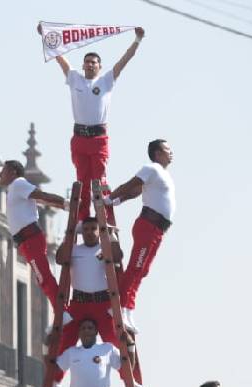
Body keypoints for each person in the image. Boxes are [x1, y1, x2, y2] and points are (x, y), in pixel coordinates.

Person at [44, 24, 146, 221]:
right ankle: (83, 219)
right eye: (87, 62)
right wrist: (47, 36)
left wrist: (137, 40)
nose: (90, 65)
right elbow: (59, 56)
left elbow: (125, 60)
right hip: (79, 138)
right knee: (81, 182)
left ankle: (107, 219)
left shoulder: (106, 81)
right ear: (83, 66)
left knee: (100, 182)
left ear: (99, 66)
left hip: (98, 139)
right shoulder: (74, 78)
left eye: (94, 62)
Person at [106, 139, 176, 332]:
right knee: (136, 266)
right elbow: (132, 184)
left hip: (158, 229)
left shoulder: (163, 174)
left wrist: (120, 200)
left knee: (142, 270)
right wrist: (111, 198)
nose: (171, 152)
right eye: (167, 149)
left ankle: (128, 307)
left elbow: (136, 191)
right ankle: (119, 306)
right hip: (148, 225)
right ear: (157, 153)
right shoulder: (151, 168)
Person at [0, 160, 69, 318]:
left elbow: (41, 196)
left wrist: (65, 204)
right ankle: (61, 309)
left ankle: (61, 310)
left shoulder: (18, 184)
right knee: (42, 277)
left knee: (43, 277)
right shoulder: (15, 188)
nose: (0, 174)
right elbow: (41, 199)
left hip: (30, 238)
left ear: (13, 172)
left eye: (3, 170)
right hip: (27, 241)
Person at [52, 217, 123, 352]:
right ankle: (58, 366)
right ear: (81, 232)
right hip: (79, 304)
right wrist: (70, 234)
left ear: (99, 231)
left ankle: (124, 366)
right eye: (85, 229)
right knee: (64, 345)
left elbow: (117, 257)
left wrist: (111, 235)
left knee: (114, 344)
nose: (89, 232)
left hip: (102, 304)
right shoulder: (74, 249)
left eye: (93, 229)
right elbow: (60, 259)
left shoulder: (104, 249)